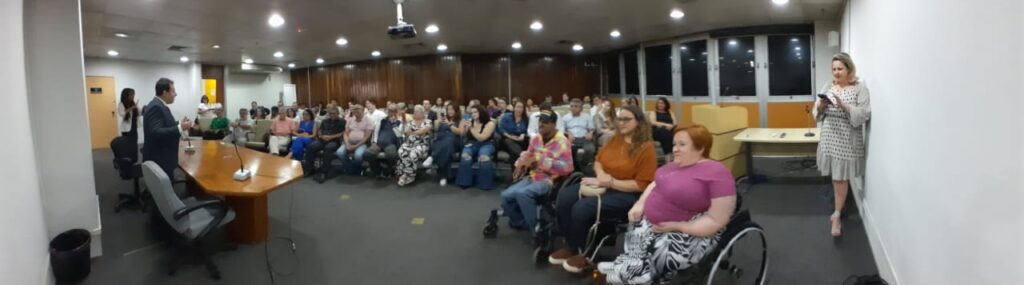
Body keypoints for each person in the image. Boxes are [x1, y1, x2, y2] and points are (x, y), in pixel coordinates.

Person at [597, 125, 737, 284]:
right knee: (636, 239)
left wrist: (678, 226)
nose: (675, 149)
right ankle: (628, 266)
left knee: (658, 252)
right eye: (674, 144)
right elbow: (655, 184)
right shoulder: (673, 165)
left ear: (701, 148)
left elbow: (717, 219)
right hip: (651, 224)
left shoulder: (717, 173)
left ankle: (643, 276)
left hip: (688, 231)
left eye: (682, 145)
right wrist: (640, 204)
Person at [549, 105, 658, 274]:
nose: (621, 123)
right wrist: (601, 176)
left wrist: (611, 183)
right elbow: (598, 161)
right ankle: (571, 246)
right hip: (604, 184)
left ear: (639, 122)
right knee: (565, 197)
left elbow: (642, 184)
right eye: (619, 119)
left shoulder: (646, 148)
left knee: (581, 208)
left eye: (626, 119)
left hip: (629, 195)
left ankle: (583, 253)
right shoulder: (616, 139)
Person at [814, 52, 871, 237]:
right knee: (837, 177)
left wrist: (843, 105)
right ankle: (840, 205)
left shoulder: (859, 88)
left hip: (847, 141)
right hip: (830, 137)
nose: (836, 73)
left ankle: (836, 216)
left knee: (840, 178)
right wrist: (821, 106)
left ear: (848, 69)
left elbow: (864, 114)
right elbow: (817, 112)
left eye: (840, 68)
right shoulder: (828, 86)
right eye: (834, 69)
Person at [500, 110, 574, 231]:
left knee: (522, 194)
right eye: (540, 121)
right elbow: (528, 153)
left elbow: (568, 167)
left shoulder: (562, 142)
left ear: (553, 124)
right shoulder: (537, 139)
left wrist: (539, 160)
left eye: (545, 122)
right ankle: (521, 222)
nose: (541, 124)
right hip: (533, 177)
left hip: (550, 180)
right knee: (505, 195)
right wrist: (521, 162)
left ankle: (539, 230)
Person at [142, 78, 192, 179]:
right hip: (160, 159)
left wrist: (179, 123)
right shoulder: (156, 107)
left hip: (163, 157)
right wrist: (180, 127)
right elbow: (156, 132)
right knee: (162, 191)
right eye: (173, 91)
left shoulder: (159, 105)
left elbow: (164, 125)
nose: (176, 94)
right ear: (165, 92)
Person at [456, 105, 497, 190]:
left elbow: (481, 138)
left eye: (475, 112)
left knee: (483, 156)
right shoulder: (470, 121)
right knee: (465, 155)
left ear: (481, 112)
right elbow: (462, 135)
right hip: (472, 143)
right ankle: (464, 182)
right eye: (472, 113)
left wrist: (471, 127)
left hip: (487, 144)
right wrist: (464, 127)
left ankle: (485, 184)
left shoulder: (490, 123)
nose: (473, 114)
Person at [427, 103, 465, 186]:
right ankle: (444, 177)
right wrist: (438, 122)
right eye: (448, 109)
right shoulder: (444, 118)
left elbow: (460, 133)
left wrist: (449, 124)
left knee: (449, 139)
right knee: (446, 147)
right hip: (443, 142)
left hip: (456, 142)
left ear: (456, 110)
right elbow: (437, 131)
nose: (450, 111)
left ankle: (433, 157)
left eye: (452, 109)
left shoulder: (461, 120)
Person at [396, 105, 433, 186]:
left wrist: (412, 133)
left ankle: (409, 175)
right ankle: (407, 174)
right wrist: (403, 123)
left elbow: (423, 131)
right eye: (414, 111)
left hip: (422, 144)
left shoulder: (428, 121)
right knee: (401, 151)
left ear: (422, 113)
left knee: (413, 154)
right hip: (409, 143)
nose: (414, 113)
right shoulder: (411, 122)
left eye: (416, 111)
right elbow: (405, 132)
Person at [304, 108, 345, 181]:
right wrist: (321, 136)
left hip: (334, 141)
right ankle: (309, 169)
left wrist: (330, 137)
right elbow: (320, 131)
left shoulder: (342, 121)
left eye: (334, 113)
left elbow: (342, 133)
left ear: (338, 114)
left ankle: (324, 171)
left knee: (328, 148)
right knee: (310, 147)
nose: (332, 115)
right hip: (322, 139)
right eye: (330, 114)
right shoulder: (325, 121)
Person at [365, 105, 403, 178]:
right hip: (379, 143)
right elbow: (376, 131)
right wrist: (374, 142)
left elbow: (399, 135)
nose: (391, 113)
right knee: (367, 154)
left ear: (396, 112)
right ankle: (378, 170)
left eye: (393, 111)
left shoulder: (400, 121)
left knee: (391, 155)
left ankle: (387, 171)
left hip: (391, 143)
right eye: (389, 111)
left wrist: (393, 124)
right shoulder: (382, 120)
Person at [336, 104, 374, 174]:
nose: (355, 110)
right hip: (349, 142)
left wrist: (355, 146)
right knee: (339, 152)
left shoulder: (368, 120)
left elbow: (366, 137)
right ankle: (352, 168)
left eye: (358, 109)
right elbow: (345, 133)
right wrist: (347, 144)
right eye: (354, 109)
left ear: (363, 110)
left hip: (362, 143)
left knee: (358, 156)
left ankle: (351, 168)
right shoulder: (350, 120)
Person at [561, 98, 597, 170]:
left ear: (581, 108)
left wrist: (590, 133)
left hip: (584, 138)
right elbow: (562, 130)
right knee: (568, 149)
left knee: (591, 150)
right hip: (572, 139)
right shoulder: (565, 117)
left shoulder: (587, 116)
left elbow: (592, 128)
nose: (573, 108)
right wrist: (568, 133)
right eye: (572, 106)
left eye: (576, 106)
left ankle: (584, 163)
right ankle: (574, 167)